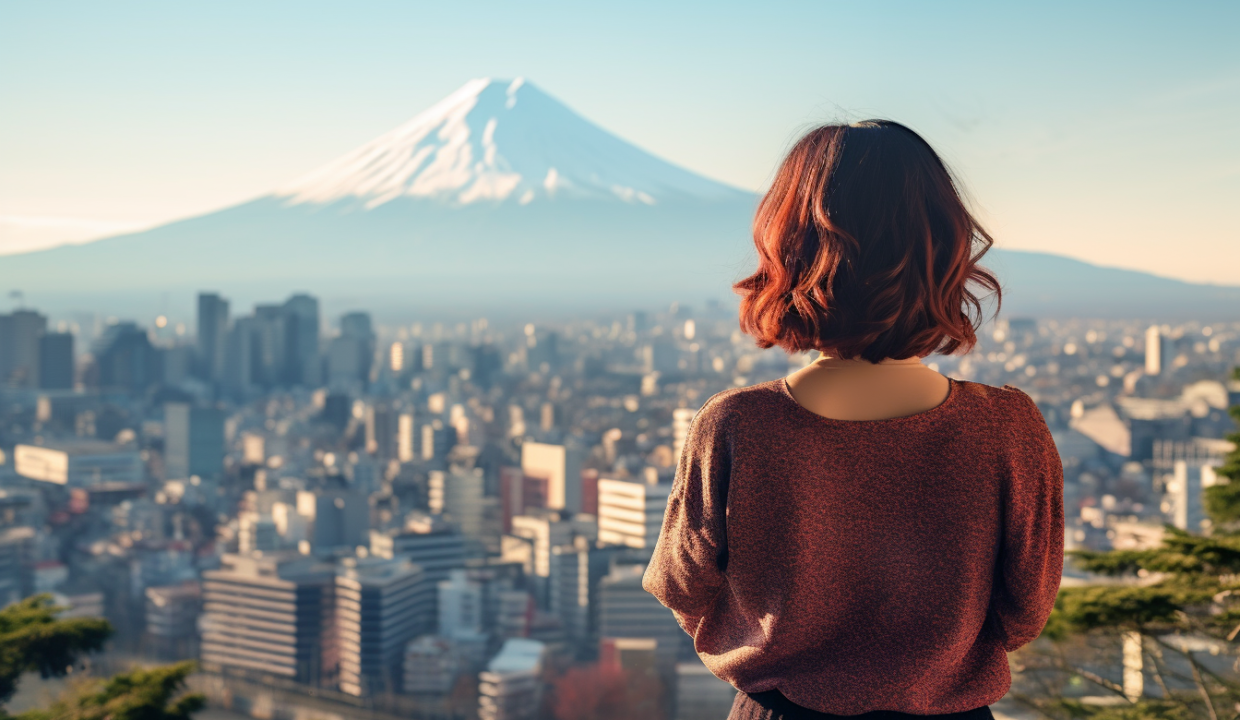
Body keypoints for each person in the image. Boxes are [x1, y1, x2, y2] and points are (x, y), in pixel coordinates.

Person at [641, 120, 1064, 719]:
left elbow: (681, 587)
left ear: (786, 251)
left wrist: (774, 643)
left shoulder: (738, 426)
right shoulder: (1006, 428)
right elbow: (1025, 611)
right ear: (946, 250)